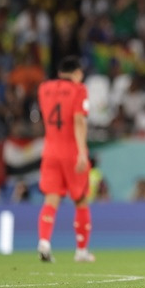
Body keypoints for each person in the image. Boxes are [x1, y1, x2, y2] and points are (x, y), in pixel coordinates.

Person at [36, 56, 94, 263]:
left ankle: (44, 242)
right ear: (77, 73)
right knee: (80, 199)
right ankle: (81, 251)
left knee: (51, 199)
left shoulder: (44, 88)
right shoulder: (79, 90)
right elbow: (79, 120)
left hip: (50, 149)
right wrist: (81, 151)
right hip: (71, 150)